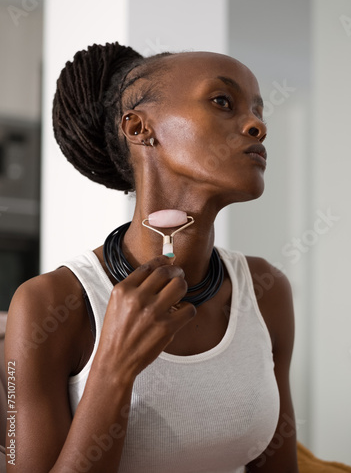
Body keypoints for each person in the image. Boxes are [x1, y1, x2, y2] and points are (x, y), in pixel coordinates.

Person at [5, 43, 299, 472]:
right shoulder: (50, 306)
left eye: (258, 109)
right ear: (139, 127)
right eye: (223, 102)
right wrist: (114, 367)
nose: (257, 126)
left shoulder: (266, 290)